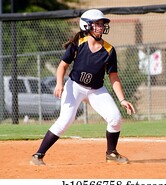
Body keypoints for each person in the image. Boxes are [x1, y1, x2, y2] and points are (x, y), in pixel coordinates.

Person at [30, 9, 135, 166]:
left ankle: (111, 153)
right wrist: (59, 83)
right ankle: (38, 155)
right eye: (97, 24)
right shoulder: (79, 43)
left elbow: (114, 77)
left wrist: (122, 99)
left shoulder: (109, 50)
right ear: (86, 26)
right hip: (75, 87)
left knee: (115, 118)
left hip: (96, 90)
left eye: (102, 24)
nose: (101, 27)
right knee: (65, 120)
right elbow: (62, 66)